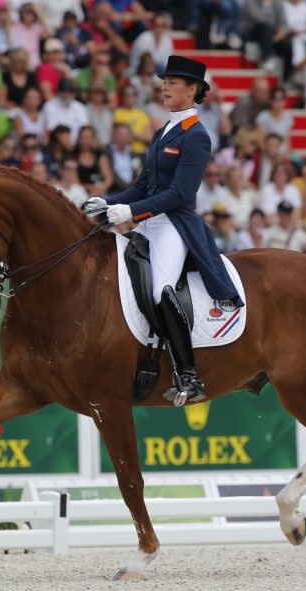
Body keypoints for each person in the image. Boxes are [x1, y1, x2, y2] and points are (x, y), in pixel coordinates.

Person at [83, 55, 243, 404]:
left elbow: (179, 195)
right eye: (164, 82)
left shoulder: (196, 136)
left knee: (160, 290)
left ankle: (189, 375)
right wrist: (107, 203)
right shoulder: (163, 131)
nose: (164, 87)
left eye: (171, 83)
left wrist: (130, 211)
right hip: (149, 222)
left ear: (192, 90)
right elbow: (142, 187)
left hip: (174, 226)